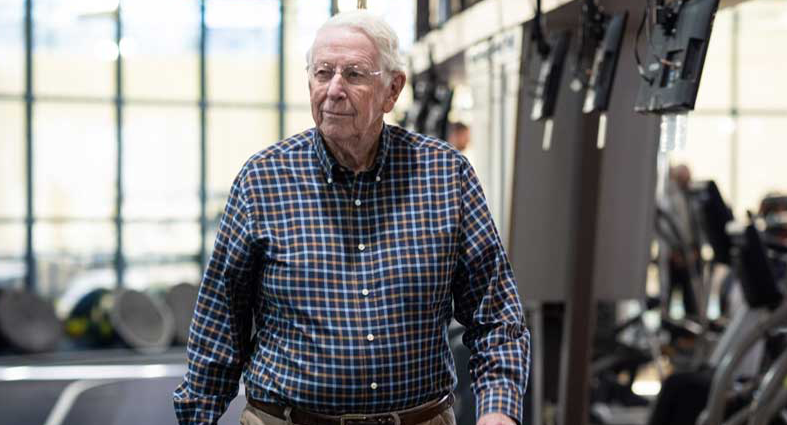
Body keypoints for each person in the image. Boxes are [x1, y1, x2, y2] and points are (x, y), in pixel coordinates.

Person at [173, 10, 529, 425]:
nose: (334, 90)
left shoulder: (446, 176)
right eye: (323, 73)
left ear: (392, 91)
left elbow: (497, 317)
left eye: (355, 75)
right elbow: (219, 327)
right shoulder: (263, 181)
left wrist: (499, 412)